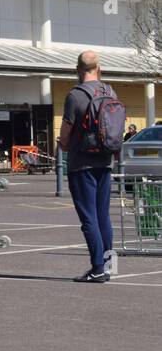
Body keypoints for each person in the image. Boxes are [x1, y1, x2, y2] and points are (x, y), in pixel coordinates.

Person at [59, 50, 124, 283]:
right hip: (106, 160)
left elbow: (66, 133)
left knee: (89, 218)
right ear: (100, 68)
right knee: (103, 216)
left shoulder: (75, 96)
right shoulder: (110, 91)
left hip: (81, 163)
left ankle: (98, 268)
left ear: (77, 69)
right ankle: (110, 266)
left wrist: (63, 144)